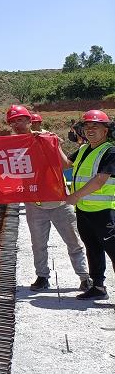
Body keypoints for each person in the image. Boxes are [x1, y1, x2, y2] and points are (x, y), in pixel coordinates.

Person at [5, 105, 90, 291]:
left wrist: (54, 144)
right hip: (34, 204)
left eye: (20, 120)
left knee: (73, 242)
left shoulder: (47, 138)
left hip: (59, 201)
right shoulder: (11, 145)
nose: (17, 124)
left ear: (29, 121)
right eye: (13, 122)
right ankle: (42, 276)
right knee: (38, 244)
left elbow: (65, 165)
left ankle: (85, 277)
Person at [62, 110, 115, 300]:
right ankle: (98, 287)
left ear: (105, 130)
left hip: (105, 211)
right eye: (87, 126)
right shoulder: (84, 149)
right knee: (93, 249)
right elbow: (65, 164)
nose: (90, 130)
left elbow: (100, 180)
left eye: (95, 126)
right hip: (84, 211)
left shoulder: (110, 151)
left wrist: (75, 196)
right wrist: (53, 144)